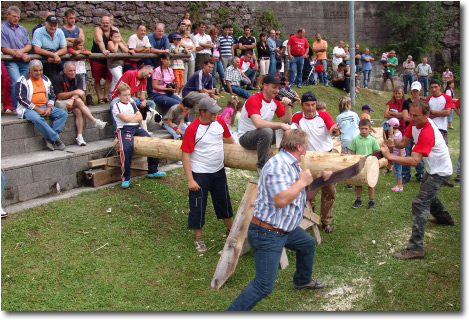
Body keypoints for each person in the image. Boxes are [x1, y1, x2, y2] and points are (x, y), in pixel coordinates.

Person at [226, 129, 329, 311]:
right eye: (306, 144)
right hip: (268, 232)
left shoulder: (293, 164)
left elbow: (301, 196)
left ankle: (302, 281)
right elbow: (280, 200)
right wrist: (301, 182)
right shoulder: (277, 166)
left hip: (284, 228)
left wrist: (319, 181)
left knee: (307, 244)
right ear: (299, 146)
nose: (307, 148)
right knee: (263, 285)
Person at [380, 99, 454, 259]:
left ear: (427, 114)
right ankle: (444, 218)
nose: (412, 118)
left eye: (416, 116)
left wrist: (389, 156)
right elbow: (403, 143)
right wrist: (394, 143)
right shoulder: (414, 124)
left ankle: (416, 248)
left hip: (441, 171)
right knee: (428, 194)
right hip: (433, 168)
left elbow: (414, 161)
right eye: (411, 115)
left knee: (420, 203)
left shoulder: (428, 131)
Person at [180, 97, 235, 253]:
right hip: (200, 173)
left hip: (218, 171)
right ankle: (199, 238)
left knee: (223, 201)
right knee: (198, 205)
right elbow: (185, 155)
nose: (215, 115)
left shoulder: (219, 122)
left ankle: (231, 231)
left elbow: (230, 140)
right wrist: (190, 179)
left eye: (216, 111)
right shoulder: (192, 129)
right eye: (212, 112)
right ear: (202, 112)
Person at [292, 92, 341, 233]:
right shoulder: (297, 118)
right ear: (302, 105)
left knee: (330, 191)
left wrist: (334, 130)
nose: (311, 108)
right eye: (307, 105)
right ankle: (310, 215)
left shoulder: (323, 116)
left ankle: (327, 221)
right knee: (309, 188)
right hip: (308, 158)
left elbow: (332, 127)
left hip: (326, 156)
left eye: (313, 104)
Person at [112, 83, 166, 189]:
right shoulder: (116, 106)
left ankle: (153, 170)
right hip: (124, 129)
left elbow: (140, 117)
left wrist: (131, 117)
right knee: (126, 148)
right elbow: (125, 120)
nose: (127, 97)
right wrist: (133, 116)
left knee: (151, 142)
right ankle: (126, 178)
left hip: (136, 127)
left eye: (129, 95)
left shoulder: (132, 104)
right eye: (124, 95)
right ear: (119, 95)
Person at [237, 74, 293, 174]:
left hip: (263, 135)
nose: (276, 91)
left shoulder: (275, 100)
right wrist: (280, 125)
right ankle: (261, 167)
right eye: (274, 87)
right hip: (246, 137)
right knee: (267, 131)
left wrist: (288, 107)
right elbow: (258, 124)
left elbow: (287, 121)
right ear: (265, 86)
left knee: (291, 129)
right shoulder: (254, 99)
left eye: (278, 88)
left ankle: (285, 162)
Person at [16, 60, 68, 151]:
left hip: (45, 106)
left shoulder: (46, 79)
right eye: (36, 70)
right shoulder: (22, 80)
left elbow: (52, 96)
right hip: (28, 108)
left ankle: (49, 138)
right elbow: (21, 98)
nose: (39, 72)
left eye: (40, 70)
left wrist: (49, 107)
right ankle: (56, 139)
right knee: (36, 118)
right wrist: (36, 109)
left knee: (63, 113)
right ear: (30, 70)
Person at [52, 61, 107, 146]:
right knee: (78, 101)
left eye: (74, 70)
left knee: (78, 111)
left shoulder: (78, 77)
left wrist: (72, 98)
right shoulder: (58, 79)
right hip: (61, 103)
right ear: (64, 71)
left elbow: (80, 93)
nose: (73, 72)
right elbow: (59, 96)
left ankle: (79, 136)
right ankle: (94, 120)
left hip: (73, 102)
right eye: (70, 71)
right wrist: (74, 93)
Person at [1, 6, 32, 112]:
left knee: (26, 82)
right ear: (7, 15)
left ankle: (26, 105)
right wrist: (20, 53)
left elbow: (28, 45)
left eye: (18, 17)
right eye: (14, 16)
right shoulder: (2, 29)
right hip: (10, 61)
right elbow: (4, 47)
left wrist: (21, 52)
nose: (16, 19)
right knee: (16, 81)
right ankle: (16, 107)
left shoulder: (22, 29)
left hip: (23, 60)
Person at [110, 65, 157, 133]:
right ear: (144, 69)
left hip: (130, 98)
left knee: (151, 103)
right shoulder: (130, 73)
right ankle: (116, 132)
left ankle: (143, 127)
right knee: (113, 105)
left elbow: (142, 95)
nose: (149, 76)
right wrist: (131, 100)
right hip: (118, 97)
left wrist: (144, 101)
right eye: (149, 73)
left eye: (151, 75)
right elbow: (121, 90)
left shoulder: (144, 79)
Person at [349, 119, 380, 210]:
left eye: (366, 129)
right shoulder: (355, 140)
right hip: (359, 165)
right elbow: (352, 153)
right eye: (362, 129)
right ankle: (358, 199)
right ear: (359, 128)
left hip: (369, 165)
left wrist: (374, 162)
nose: (364, 130)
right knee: (358, 183)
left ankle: (371, 200)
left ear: (370, 129)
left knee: (371, 183)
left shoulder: (372, 140)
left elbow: (376, 151)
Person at [401, 81, 425, 184]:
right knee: (407, 153)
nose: (415, 93)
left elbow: (425, 117)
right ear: (411, 91)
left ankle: (420, 174)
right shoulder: (406, 102)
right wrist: (417, 118)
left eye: (417, 91)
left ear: (420, 91)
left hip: (421, 131)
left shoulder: (423, 103)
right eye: (413, 90)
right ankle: (406, 174)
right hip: (409, 131)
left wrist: (414, 118)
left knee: (419, 153)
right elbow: (405, 117)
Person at [91, 16, 118, 104]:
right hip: (97, 58)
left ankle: (106, 96)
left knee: (109, 78)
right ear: (101, 23)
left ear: (110, 23)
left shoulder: (113, 29)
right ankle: (99, 97)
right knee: (97, 79)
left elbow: (119, 40)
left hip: (108, 59)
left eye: (107, 22)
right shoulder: (98, 29)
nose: (105, 24)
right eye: (103, 23)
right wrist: (103, 50)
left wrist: (128, 49)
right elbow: (99, 40)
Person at [32, 15, 67, 80]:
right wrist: (53, 55)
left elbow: (64, 49)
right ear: (45, 24)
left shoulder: (60, 32)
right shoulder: (38, 32)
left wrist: (55, 55)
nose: (53, 27)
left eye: (55, 25)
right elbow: (37, 49)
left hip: (54, 61)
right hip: (41, 60)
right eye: (51, 25)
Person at [107, 30, 135, 94]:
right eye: (115, 37)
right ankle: (120, 93)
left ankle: (111, 93)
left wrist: (120, 43)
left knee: (115, 81)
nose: (117, 38)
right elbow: (114, 50)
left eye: (118, 37)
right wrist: (116, 43)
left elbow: (125, 50)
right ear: (111, 37)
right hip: (113, 65)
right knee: (120, 79)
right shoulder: (110, 42)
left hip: (119, 64)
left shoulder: (119, 43)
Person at [68, 38, 93, 105]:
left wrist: (80, 51)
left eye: (83, 45)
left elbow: (89, 52)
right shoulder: (71, 49)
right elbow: (75, 53)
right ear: (76, 45)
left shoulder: (82, 50)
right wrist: (79, 52)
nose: (82, 47)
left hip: (82, 72)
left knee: (83, 87)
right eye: (80, 45)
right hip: (75, 72)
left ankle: (83, 100)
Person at [387, 117, 406, 192]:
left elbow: (400, 147)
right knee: (396, 170)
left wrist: (400, 158)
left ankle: (400, 186)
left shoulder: (397, 136)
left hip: (397, 157)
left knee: (398, 171)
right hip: (396, 156)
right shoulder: (398, 134)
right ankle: (398, 185)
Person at [209, 27, 225, 93]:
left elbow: (219, 49)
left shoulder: (217, 40)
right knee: (214, 74)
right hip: (213, 59)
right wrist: (211, 57)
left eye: (216, 34)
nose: (215, 36)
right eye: (214, 34)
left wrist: (221, 56)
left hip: (218, 58)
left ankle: (224, 87)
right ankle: (214, 87)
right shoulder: (209, 41)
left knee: (222, 73)